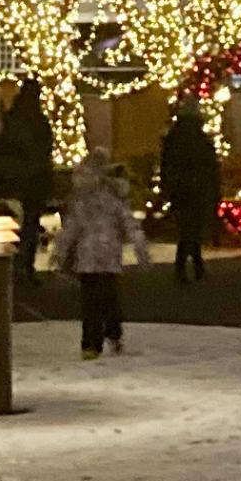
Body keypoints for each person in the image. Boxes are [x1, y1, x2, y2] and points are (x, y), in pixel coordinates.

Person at [50, 153, 143, 357]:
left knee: (105, 300)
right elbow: (71, 228)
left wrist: (139, 244)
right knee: (93, 301)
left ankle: (108, 335)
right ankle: (93, 342)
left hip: (104, 258)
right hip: (90, 258)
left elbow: (127, 222)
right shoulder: (82, 202)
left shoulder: (110, 200)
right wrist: (60, 250)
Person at [0, 77, 59, 299]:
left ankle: (14, 267)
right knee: (28, 226)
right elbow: (44, 150)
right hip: (30, 181)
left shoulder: (12, 119)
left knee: (17, 226)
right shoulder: (37, 121)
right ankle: (24, 267)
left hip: (15, 181)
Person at [157, 94, 225, 285]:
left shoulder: (173, 136)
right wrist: (214, 187)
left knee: (186, 229)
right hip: (197, 188)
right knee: (193, 229)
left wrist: (166, 188)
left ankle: (192, 266)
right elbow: (210, 165)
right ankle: (190, 267)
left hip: (180, 189)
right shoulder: (201, 138)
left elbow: (166, 164)